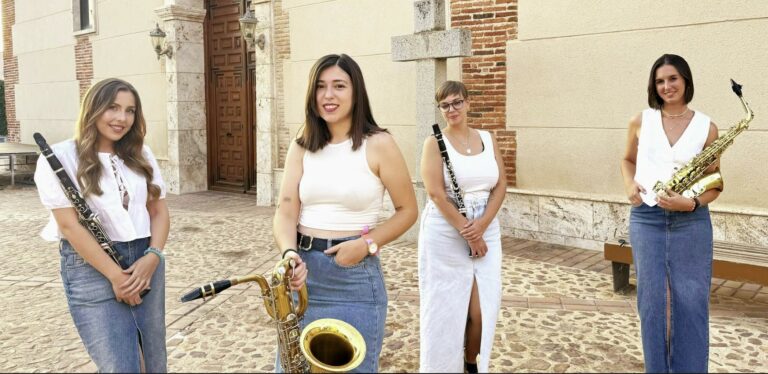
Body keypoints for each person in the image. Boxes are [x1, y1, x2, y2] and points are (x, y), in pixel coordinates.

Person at [272, 53, 418, 372]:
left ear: (356, 92)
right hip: (302, 279)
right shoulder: (302, 144)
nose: (329, 95)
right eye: (321, 86)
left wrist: (366, 245)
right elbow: (285, 209)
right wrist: (288, 254)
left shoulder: (379, 144)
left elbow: (407, 211)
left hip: (355, 279)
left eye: (339, 85)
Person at [34, 78, 170, 373]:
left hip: (145, 259)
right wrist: (115, 276)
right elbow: (70, 226)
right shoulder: (59, 157)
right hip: (91, 266)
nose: (122, 118)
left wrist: (153, 256)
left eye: (130, 110)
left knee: (154, 361)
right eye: (113, 108)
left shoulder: (140, 154)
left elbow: (158, 210)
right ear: (93, 108)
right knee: (121, 364)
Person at [621, 54, 720, 373]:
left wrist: (689, 203)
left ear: (686, 81)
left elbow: (716, 182)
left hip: (691, 222)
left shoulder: (708, 127)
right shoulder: (640, 120)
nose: (667, 86)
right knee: (651, 304)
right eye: (660, 81)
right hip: (646, 219)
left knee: (691, 303)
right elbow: (627, 160)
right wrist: (629, 185)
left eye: (673, 79)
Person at [418, 80, 507, 373]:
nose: (452, 109)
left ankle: (470, 363)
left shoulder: (487, 137)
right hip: (446, 230)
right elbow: (436, 194)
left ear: (468, 103)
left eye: (457, 102)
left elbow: (502, 184)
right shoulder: (434, 142)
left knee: (482, 311)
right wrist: (469, 232)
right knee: (447, 310)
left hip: (486, 225)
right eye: (445, 105)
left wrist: (481, 226)